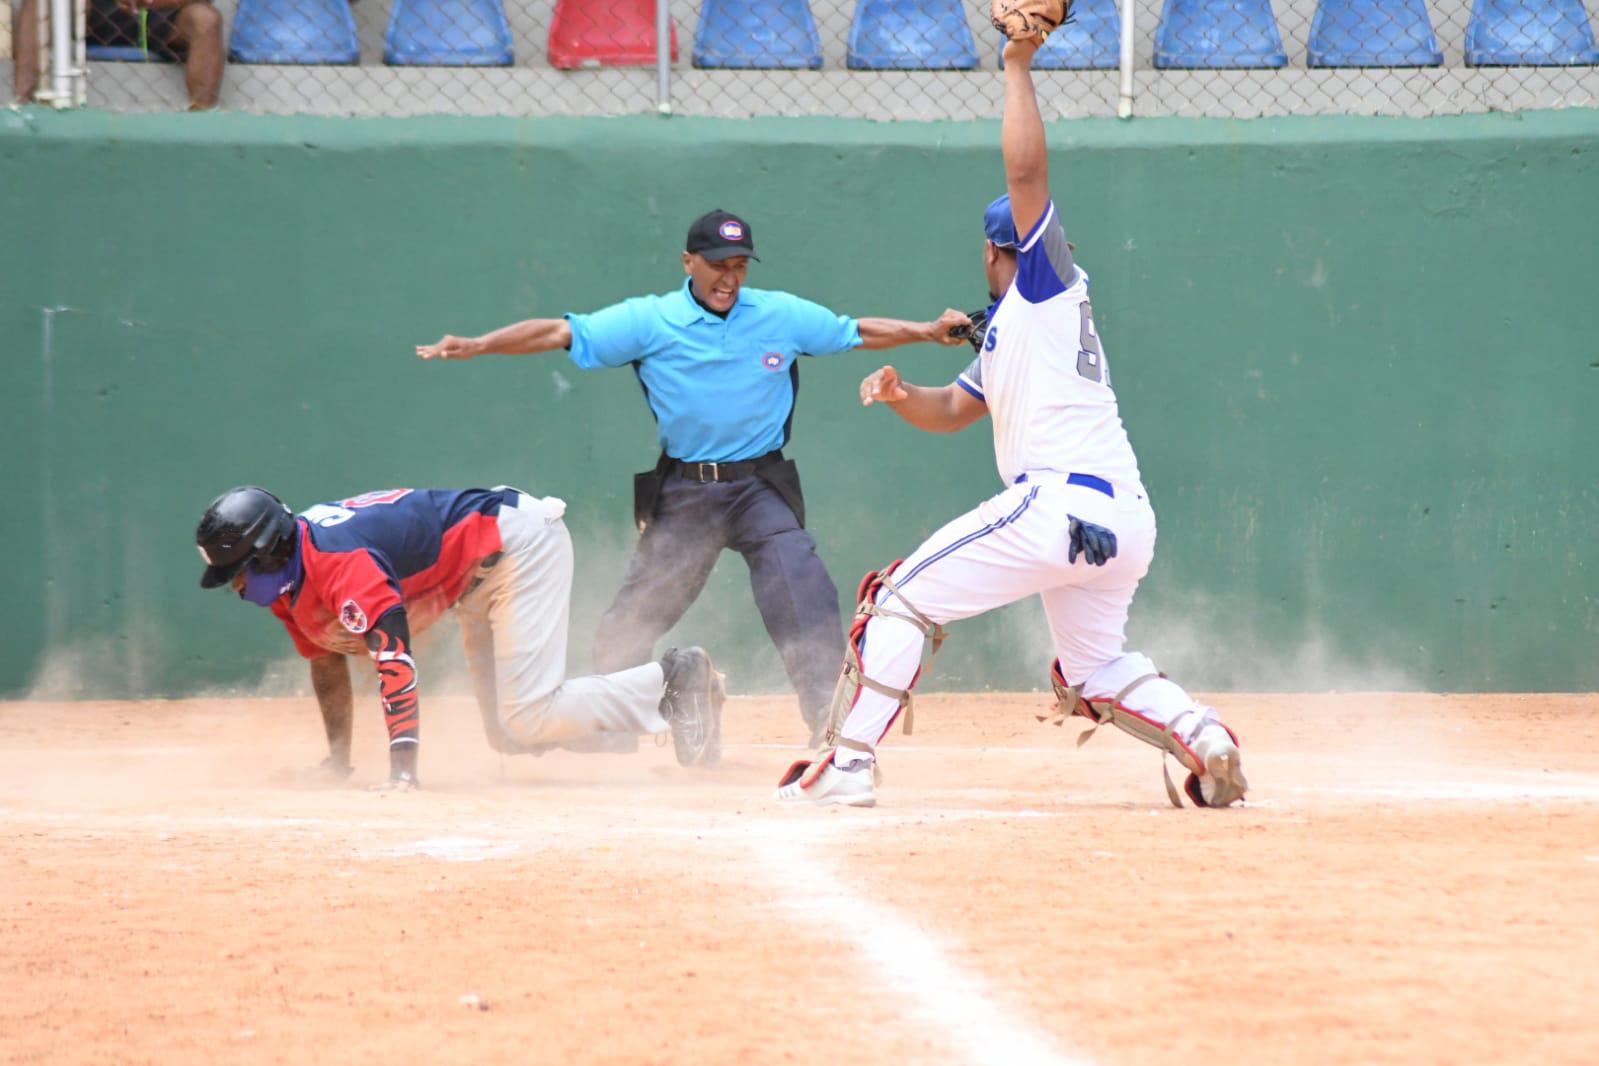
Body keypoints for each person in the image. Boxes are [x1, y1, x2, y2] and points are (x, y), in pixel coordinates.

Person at [775, 33, 1249, 810]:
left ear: (998, 253)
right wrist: (902, 395)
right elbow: (954, 411)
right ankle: (1203, 738)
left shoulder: (1040, 286)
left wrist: (1017, 65)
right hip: (1120, 521)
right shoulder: (1012, 332)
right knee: (1091, 668)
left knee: (898, 600)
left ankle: (849, 766)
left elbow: (1024, 172)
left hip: (1056, 503)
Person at [417, 210, 972, 744]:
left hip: (760, 487)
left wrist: (927, 331)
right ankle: (611, 742)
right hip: (686, 493)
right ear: (689, 261)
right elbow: (559, 333)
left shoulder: (779, 314)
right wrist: (481, 343)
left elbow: (854, 331)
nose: (729, 278)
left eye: (739, 266)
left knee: (801, 584)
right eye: (717, 264)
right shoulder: (650, 320)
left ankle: (830, 726)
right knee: (625, 627)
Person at [195, 484, 724, 791]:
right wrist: (339, 762)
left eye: (239, 571)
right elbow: (328, 664)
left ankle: (675, 684)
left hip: (516, 546)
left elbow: (394, 663)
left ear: (268, 550)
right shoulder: (290, 584)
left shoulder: (338, 564)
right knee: (510, 733)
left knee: (528, 716)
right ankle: (658, 712)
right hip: (475, 578)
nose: (237, 586)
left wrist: (403, 773)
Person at [12, 0, 222, 110]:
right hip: (96, 9)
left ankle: (202, 114)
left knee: (206, 18)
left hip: (165, 13)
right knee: (38, 1)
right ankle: (22, 104)